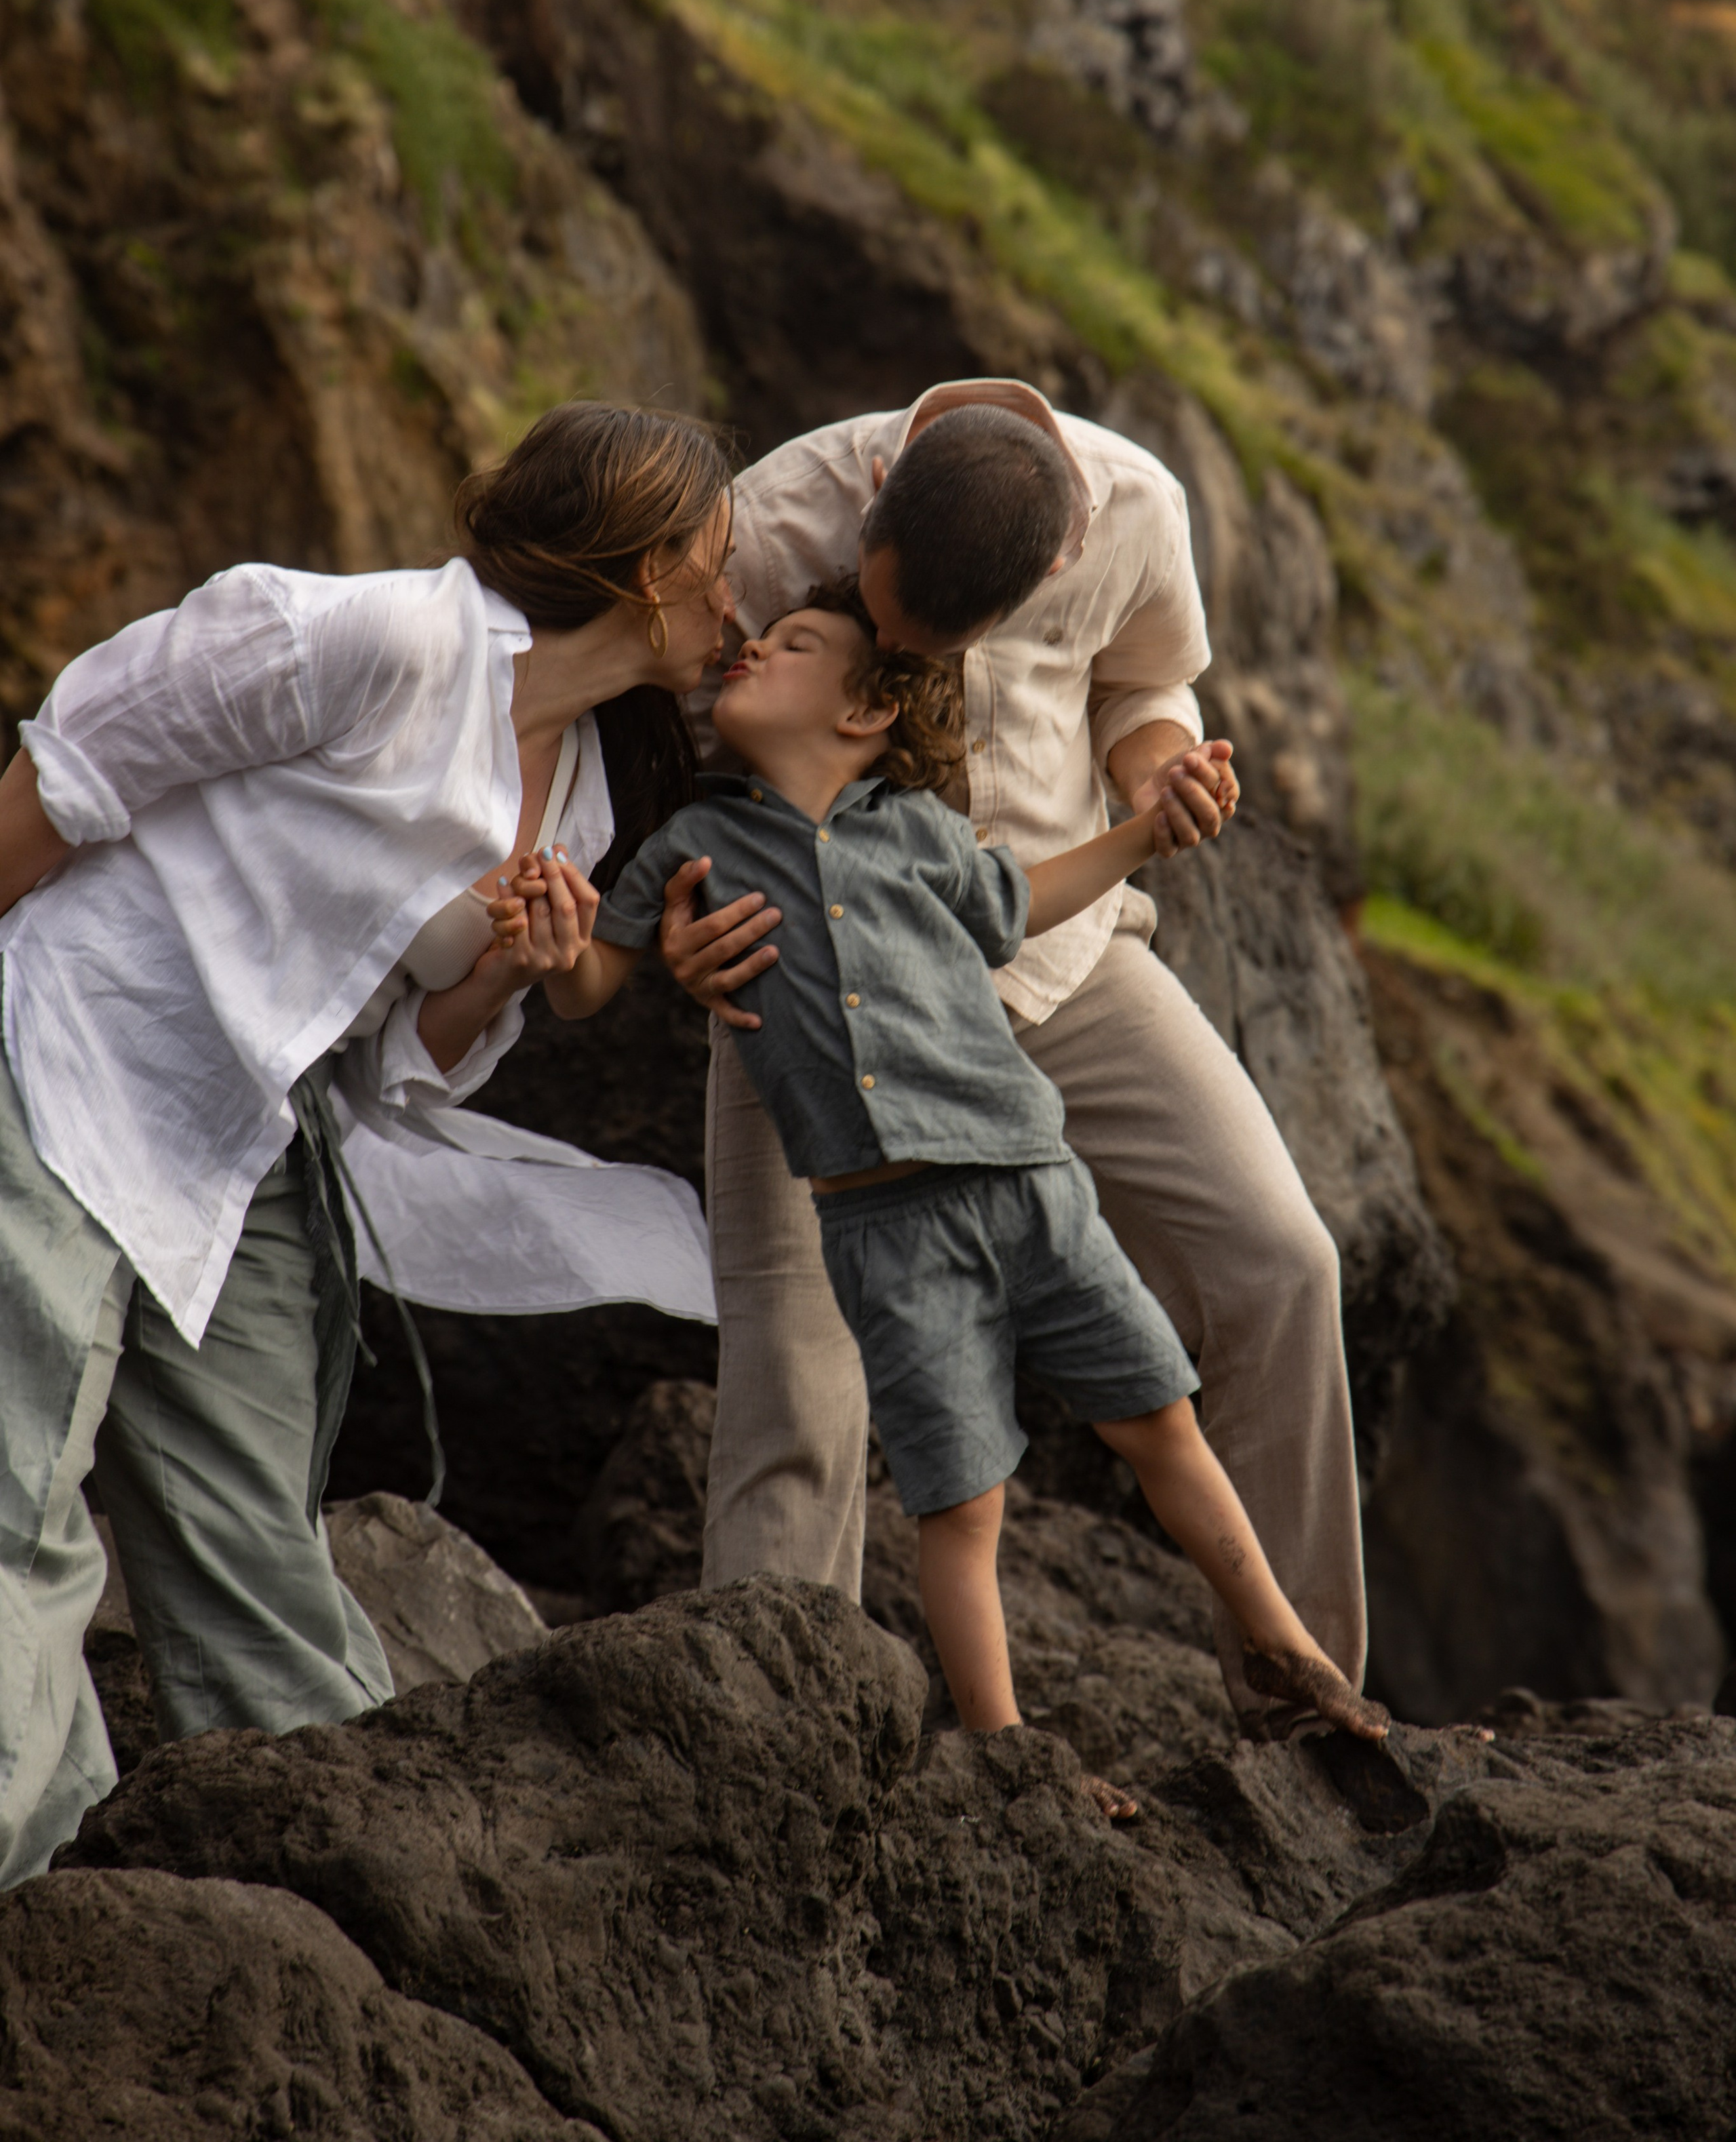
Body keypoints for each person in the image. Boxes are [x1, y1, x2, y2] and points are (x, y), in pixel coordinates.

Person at [500, 582, 1387, 1813]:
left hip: (1033, 1185)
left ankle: (1294, 1658)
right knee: (962, 1512)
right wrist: (555, 951)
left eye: (793, 645)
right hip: (883, 1233)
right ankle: (1010, 1755)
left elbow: (1020, 906)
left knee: (1162, 1424)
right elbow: (596, 979)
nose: (752, 648)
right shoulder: (692, 842)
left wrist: (1145, 836)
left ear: (866, 710)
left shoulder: (920, 829)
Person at [0, 400, 729, 1889]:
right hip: (76, 1054)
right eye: (727, 559)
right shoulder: (380, 640)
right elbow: (73, 771)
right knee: (19, 1502)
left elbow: (405, 1055)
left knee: (257, 1557)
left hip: (245, 1147)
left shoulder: (584, 793)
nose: (745, 598)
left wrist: (509, 971)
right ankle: (41, 1879)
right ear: (653, 571)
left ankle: (358, 1905)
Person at [654, 378, 1364, 1735]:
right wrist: (682, 933)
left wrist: (1158, 772)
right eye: (879, 623)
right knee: (796, 1374)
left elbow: (1145, 680)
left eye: (930, 646)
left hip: (1062, 955)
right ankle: (769, 1758)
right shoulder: (768, 522)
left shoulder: (1135, 510)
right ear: (871, 506)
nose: (895, 658)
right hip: (816, 999)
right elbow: (659, 730)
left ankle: (1309, 1718)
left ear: (1052, 570)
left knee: (1285, 1263)